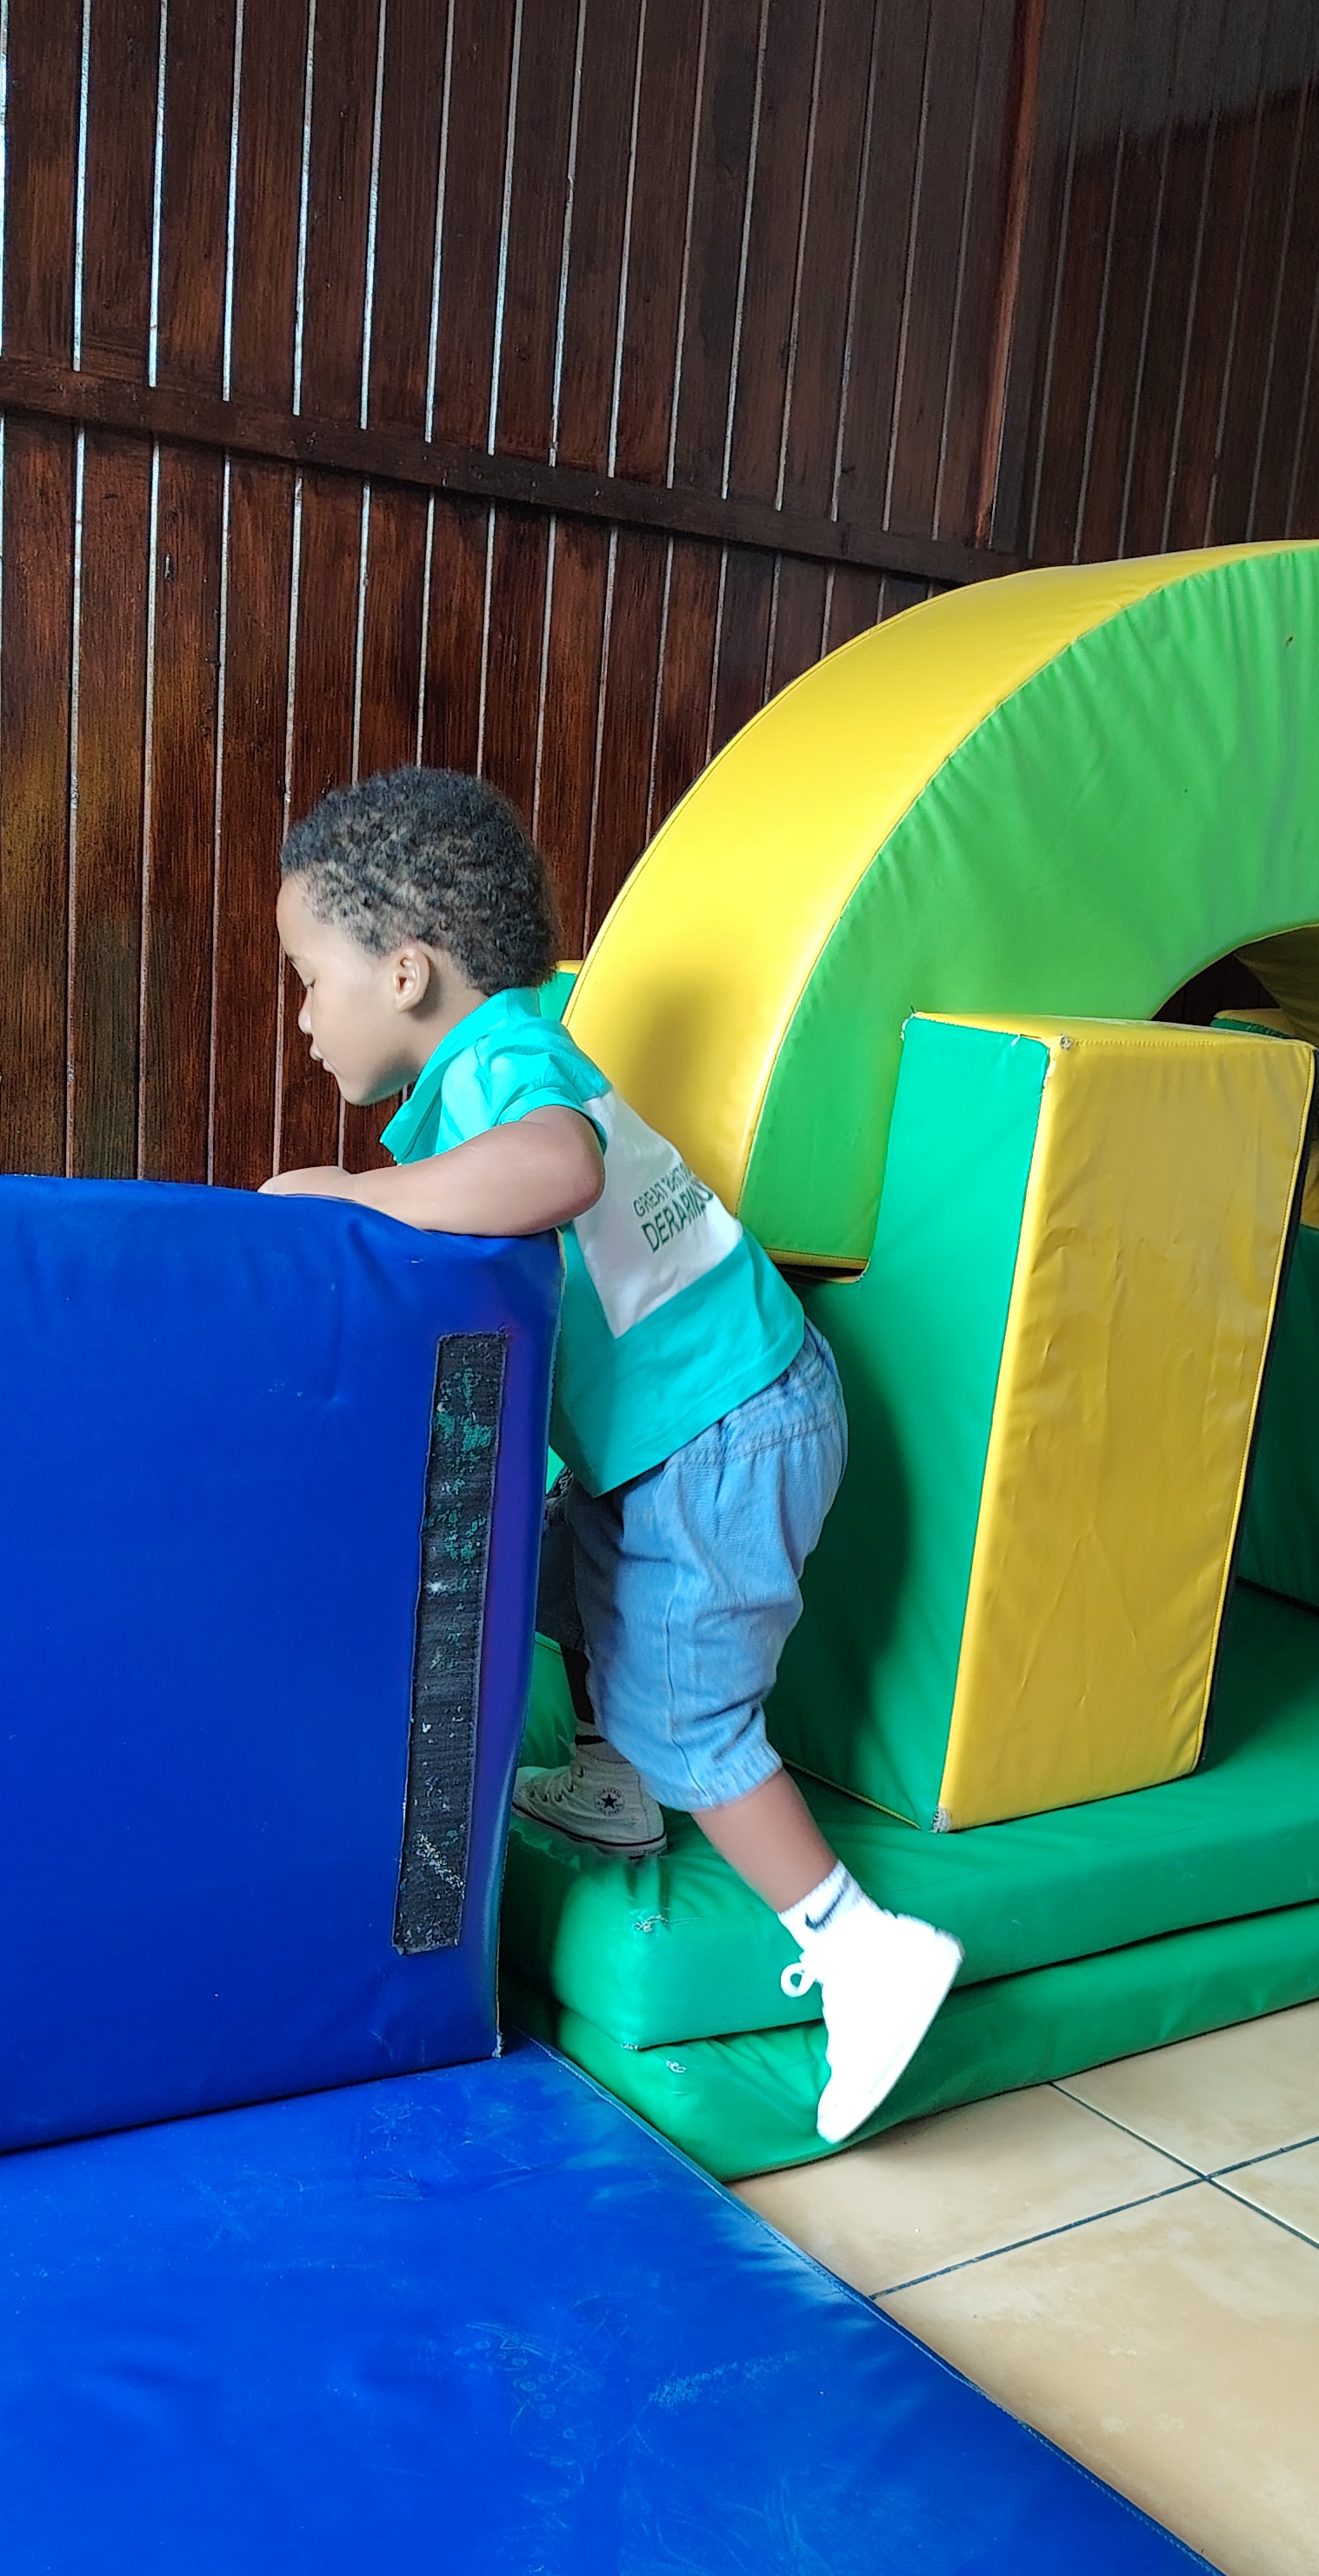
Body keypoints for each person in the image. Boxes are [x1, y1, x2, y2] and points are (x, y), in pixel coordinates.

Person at [263, 765, 961, 2144]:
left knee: (686, 1715)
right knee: (543, 1576)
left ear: (404, 973)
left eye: (308, 978)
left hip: (726, 1430)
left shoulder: (505, 1068)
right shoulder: (486, 1066)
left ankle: (863, 1948)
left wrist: (357, 1198)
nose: (301, 1016)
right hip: (681, 1429)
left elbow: (561, 1170)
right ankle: (615, 1783)